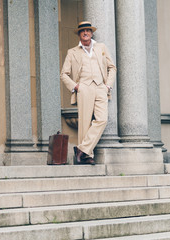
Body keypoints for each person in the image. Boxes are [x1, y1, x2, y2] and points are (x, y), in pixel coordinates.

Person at [60, 21, 116, 165]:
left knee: (102, 120)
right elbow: (64, 74)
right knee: (84, 123)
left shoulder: (101, 48)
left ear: (91, 33)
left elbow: (112, 68)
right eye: (83, 31)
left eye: (88, 30)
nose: (86, 33)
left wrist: (108, 86)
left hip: (100, 88)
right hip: (84, 88)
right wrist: (76, 87)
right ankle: (87, 155)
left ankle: (81, 149)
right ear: (79, 34)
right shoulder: (72, 52)